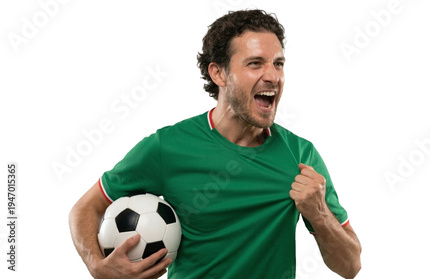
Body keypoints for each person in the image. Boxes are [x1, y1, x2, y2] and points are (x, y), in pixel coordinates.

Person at [69, 9, 361, 279]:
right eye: (255, 63)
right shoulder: (166, 148)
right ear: (218, 73)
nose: (272, 76)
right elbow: (86, 208)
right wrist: (98, 266)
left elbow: (350, 267)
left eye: (278, 64)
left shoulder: (300, 155)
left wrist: (319, 213)